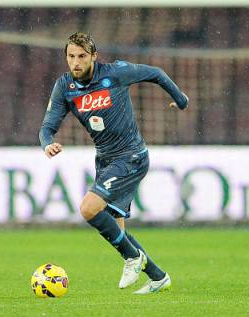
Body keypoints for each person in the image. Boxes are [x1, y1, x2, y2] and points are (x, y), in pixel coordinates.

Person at [39, 32, 189, 294]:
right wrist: (47, 143)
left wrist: (181, 99)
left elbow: (155, 72)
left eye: (82, 56)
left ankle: (133, 258)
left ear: (94, 56)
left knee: (88, 209)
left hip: (131, 156)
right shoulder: (64, 86)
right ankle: (157, 277)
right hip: (105, 159)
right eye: (71, 56)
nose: (75, 62)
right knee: (115, 226)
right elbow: (47, 126)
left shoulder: (115, 72)